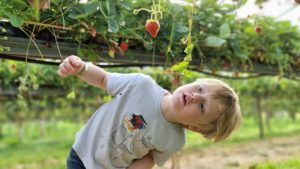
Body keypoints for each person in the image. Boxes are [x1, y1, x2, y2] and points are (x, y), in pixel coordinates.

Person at [58, 55, 242, 169]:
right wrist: (82, 68)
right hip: (83, 154)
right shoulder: (141, 84)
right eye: (200, 89)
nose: (195, 96)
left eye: (202, 107)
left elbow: (151, 157)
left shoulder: (174, 140)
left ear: (196, 127)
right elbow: (103, 79)